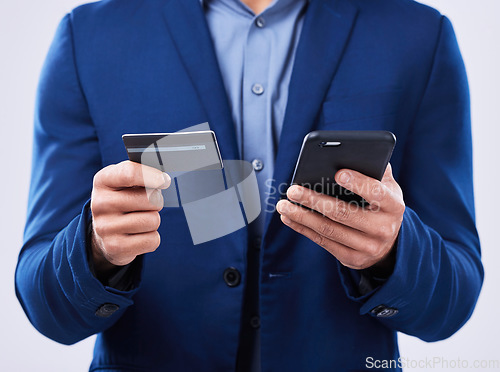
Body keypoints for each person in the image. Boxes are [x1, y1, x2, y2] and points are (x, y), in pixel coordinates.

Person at [15, 0, 483, 371]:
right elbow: (45, 304)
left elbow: (453, 299)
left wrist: (393, 254)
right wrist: (96, 252)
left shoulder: (419, 36)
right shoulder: (89, 37)